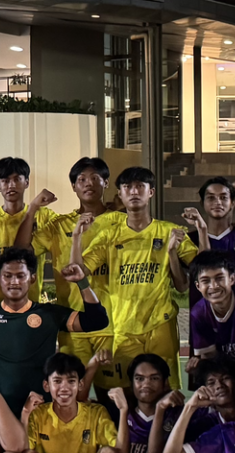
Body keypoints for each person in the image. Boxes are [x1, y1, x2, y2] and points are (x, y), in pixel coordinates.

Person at [0, 247, 107, 415]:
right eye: (8, 276)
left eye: (20, 276)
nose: (14, 282)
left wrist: (82, 282)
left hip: (39, 410)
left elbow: (97, 321)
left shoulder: (49, 314)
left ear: (32, 279)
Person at [78, 165, 196, 389]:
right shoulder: (109, 235)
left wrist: (194, 232)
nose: (133, 192)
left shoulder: (170, 232)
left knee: (166, 393)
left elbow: (200, 269)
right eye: (127, 187)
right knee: (127, 394)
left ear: (150, 192)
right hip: (124, 327)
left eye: (140, 187)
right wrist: (76, 237)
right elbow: (81, 270)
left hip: (160, 325)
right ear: (120, 194)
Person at [43, 156, 119, 365]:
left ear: (106, 183)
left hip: (112, 326)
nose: (89, 183)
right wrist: (32, 208)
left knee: (112, 394)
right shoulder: (58, 225)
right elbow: (23, 249)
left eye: (95, 178)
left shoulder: (122, 223)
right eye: (82, 179)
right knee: (71, 392)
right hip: (72, 322)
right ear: (73, 186)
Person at [0, 157, 56, 290]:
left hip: (29, 300)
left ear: (26, 182)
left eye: (17, 179)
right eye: (5, 181)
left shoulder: (44, 216)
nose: (11, 185)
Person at [182, 176, 235, 288]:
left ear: (232, 204)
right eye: (211, 198)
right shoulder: (190, 240)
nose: (217, 202)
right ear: (202, 203)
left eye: (223, 197)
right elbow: (184, 284)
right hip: (203, 305)